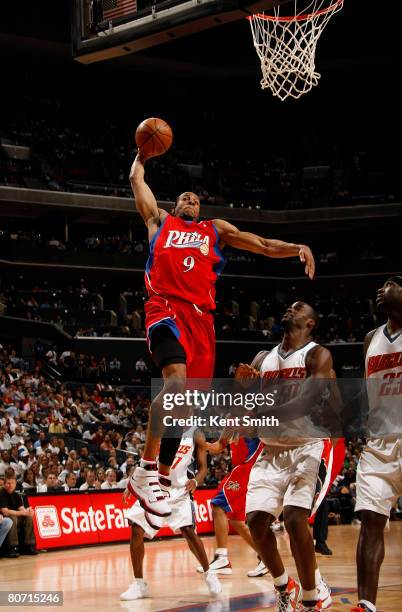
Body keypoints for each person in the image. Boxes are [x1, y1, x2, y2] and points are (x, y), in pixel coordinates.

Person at [128, 151, 316, 517]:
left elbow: (261, 244)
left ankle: (162, 481)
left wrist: (296, 248)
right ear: (175, 204)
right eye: (185, 198)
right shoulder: (159, 222)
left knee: (182, 409)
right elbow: (137, 181)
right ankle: (145, 470)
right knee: (175, 384)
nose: (191, 202)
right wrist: (141, 155)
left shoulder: (215, 230)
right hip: (165, 308)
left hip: (202, 322)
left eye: (196, 200)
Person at [240, 302, 335, 611]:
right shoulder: (262, 359)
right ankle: (285, 588)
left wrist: (256, 412)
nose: (290, 309)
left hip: (308, 445)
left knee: (295, 520)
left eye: (299, 308)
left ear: (310, 323)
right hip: (271, 450)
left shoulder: (317, 355)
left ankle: (311, 600)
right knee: (255, 522)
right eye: (290, 306)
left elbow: (303, 404)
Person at [120, 428, 221, 600]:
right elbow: (147, 460)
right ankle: (139, 584)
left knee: (188, 531)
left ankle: (209, 573)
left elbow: (203, 467)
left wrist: (196, 480)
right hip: (155, 487)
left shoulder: (196, 433)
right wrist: (133, 481)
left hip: (179, 489)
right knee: (136, 528)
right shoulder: (161, 427)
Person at [351, 277, 402, 612]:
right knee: (370, 520)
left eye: (391, 284)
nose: (382, 289)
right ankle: (366, 605)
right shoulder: (371, 338)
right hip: (379, 443)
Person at [196, 436, 267, 577]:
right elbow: (220, 445)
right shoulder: (231, 420)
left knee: (218, 505)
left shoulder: (254, 419)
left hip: (248, 468)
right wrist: (203, 445)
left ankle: (222, 558)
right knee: (237, 521)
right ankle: (266, 559)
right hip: (241, 469)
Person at [0, 472, 37, 557]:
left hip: (16, 517)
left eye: (12, 483)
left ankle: (30, 545)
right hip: (4, 518)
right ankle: (13, 546)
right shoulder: (1, 493)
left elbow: (22, 509)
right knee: (12, 518)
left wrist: (28, 511)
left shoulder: (16, 495)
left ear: (15, 483)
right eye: (8, 483)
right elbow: (5, 511)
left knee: (28, 518)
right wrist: (22, 512)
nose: (10, 485)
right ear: (4, 484)